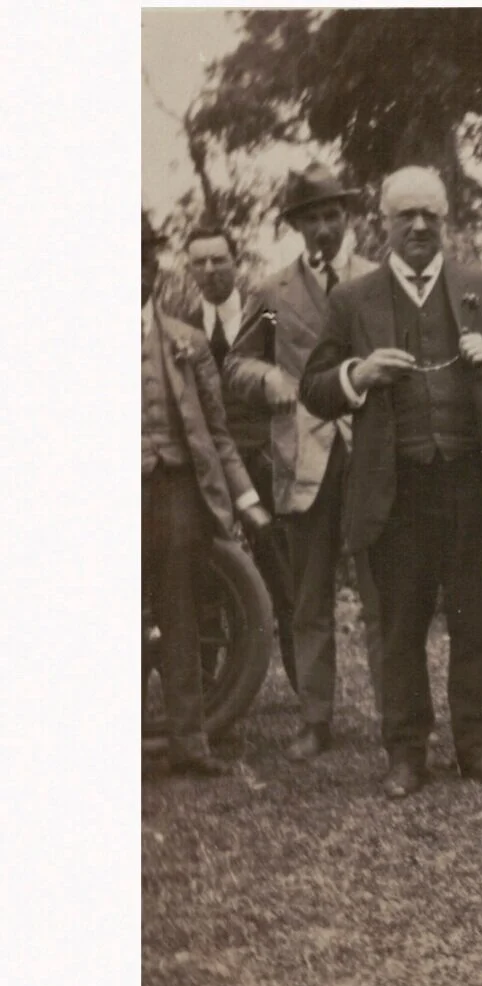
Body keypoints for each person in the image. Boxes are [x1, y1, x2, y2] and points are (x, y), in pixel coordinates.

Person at [300, 165, 482, 800]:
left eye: (429, 216)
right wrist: (359, 372)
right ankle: (405, 754)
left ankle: (479, 747)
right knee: (401, 628)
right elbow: (315, 388)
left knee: (474, 623)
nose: (417, 226)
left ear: (445, 222)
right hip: (395, 490)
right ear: (383, 224)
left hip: (471, 485)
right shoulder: (352, 300)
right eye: (404, 215)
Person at [225, 162, 386, 761]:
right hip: (304, 456)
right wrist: (272, 381)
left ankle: (397, 713)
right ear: (296, 225)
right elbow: (237, 365)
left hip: (370, 450)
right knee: (309, 595)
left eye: (333, 215)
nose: (325, 228)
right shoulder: (272, 294)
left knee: (381, 593)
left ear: (349, 218)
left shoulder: (377, 279)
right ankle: (315, 719)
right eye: (313, 217)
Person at [142, 212, 273, 776]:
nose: (135, 269)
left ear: (154, 268)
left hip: (176, 490)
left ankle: (190, 743)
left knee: (181, 610)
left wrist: (245, 499)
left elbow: (217, 432)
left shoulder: (186, 341)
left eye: (144, 259)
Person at [182, 225, 298, 690]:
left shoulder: (265, 316)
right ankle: (208, 688)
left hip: (263, 461)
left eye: (220, 260)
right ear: (190, 270)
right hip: (206, 468)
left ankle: (305, 694)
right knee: (203, 577)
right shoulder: (181, 323)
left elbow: (288, 376)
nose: (211, 271)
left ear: (236, 262)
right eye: (200, 262)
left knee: (284, 574)